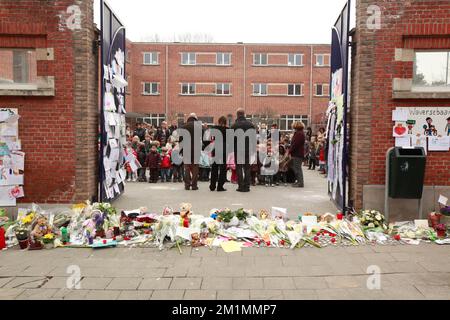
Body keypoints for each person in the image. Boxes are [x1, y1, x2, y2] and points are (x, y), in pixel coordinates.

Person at [231, 108, 256, 192]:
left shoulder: (234, 126)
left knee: (239, 167)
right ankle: (247, 186)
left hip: (238, 149)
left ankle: (241, 186)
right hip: (248, 149)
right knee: (247, 168)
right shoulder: (250, 125)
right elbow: (253, 138)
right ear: (244, 114)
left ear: (237, 114)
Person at [180, 113, 202, 191]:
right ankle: (194, 185)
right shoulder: (199, 126)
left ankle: (187, 185)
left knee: (187, 168)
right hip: (196, 150)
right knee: (195, 168)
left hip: (186, 150)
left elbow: (180, 140)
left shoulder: (184, 126)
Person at [209, 116, 228, 192]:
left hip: (215, 149)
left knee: (214, 168)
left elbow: (210, 138)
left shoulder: (214, 129)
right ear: (225, 122)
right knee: (223, 169)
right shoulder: (228, 130)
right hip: (223, 150)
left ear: (219, 121)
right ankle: (220, 186)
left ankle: (212, 186)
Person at [289, 121, 305, 188]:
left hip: (297, 153)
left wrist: (290, 151)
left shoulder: (299, 134)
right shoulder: (300, 133)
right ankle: (298, 181)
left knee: (297, 168)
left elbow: (295, 144)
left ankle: (300, 183)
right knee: (297, 168)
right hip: (298, 153)